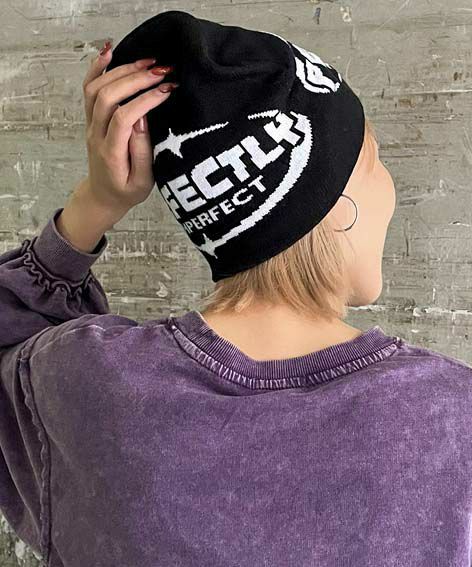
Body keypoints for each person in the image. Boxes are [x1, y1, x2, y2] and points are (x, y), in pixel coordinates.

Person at [1, 10, 471, 567]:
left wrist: (96, 202)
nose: (390, 185)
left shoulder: (85, 387)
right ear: (331, 203)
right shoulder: (454, 419)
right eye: (375, 161)